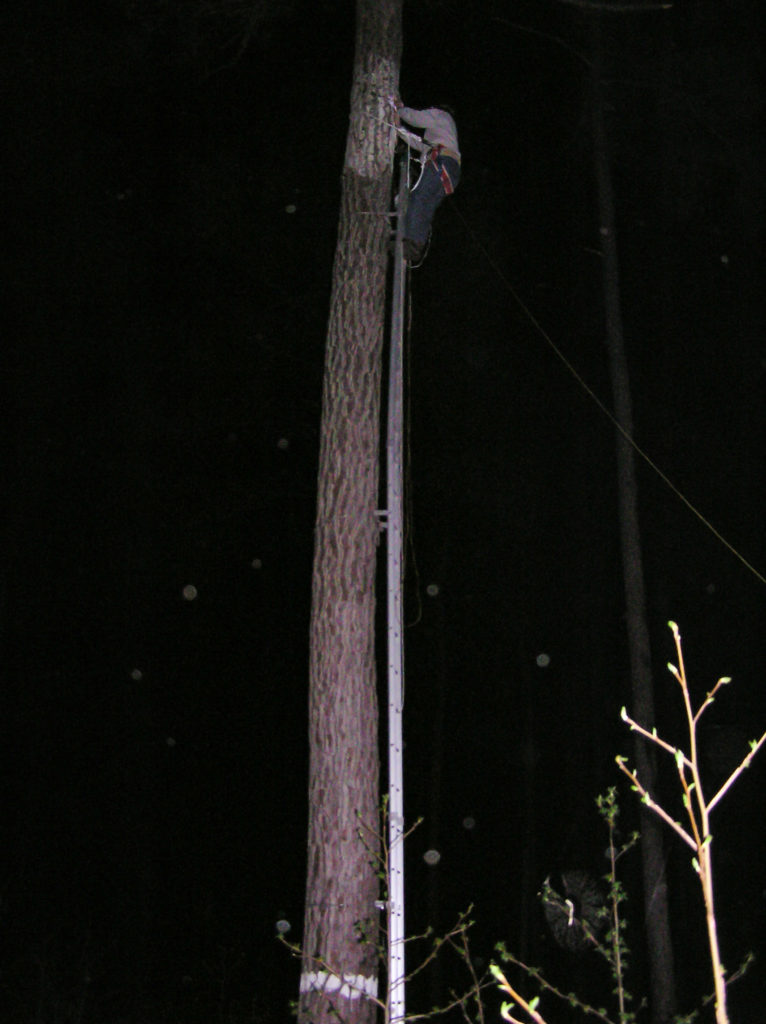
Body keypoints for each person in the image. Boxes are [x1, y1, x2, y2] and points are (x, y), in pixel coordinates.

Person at [394, 99, 461, 265]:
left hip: (442, 161)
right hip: (450, 170)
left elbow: (416, 118)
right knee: (425, 207)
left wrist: (399, 110)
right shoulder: (441, 134)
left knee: (418, 198)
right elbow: (419, 143)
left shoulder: (440, 115)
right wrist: (398, 129)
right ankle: (415, 244)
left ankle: (413, 242)